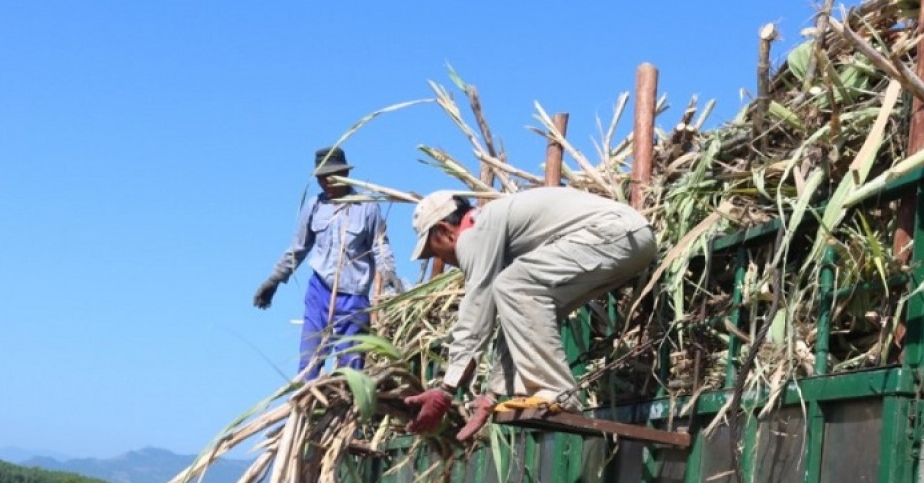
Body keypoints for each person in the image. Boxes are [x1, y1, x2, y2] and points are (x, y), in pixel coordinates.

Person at [402, 187, 657, 441]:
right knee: (518, 289)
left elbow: (476, 311)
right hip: (630, 240)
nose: (442, 260)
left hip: (612, 233)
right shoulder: (496, 233)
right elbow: (519, 317)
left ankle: (555, 391)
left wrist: (446, 390)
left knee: (513, 284)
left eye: (434, 251)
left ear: (445, 231)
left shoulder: (474, 233)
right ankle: (553, 391)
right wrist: (492, 394)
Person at [253, 146, 403, 377]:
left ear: (345, 174)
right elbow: (298, 248)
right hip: (319, 292)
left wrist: (389, 273)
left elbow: (380, 246)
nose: (325, 183)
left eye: (330, 177)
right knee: (309, 364)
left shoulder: (367, 208)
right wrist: (274, 280)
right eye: (321, 178)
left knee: (350, 368)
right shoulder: (314, 206)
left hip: (353, 298)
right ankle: (307, 396)